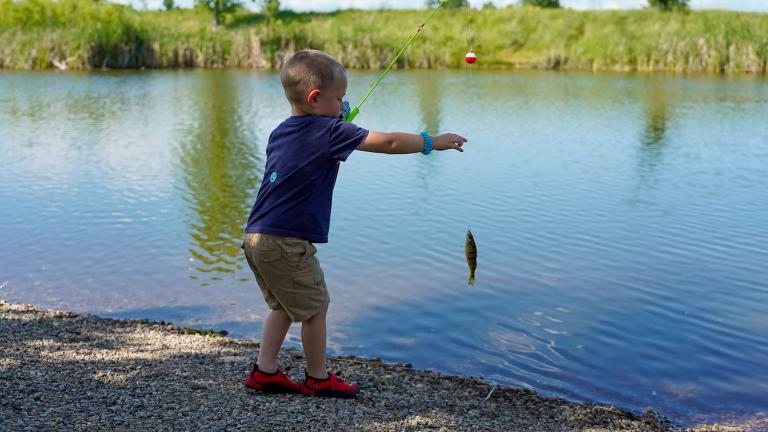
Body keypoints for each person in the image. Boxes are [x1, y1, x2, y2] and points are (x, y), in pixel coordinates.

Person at [242, 49, 467, 398]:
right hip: (287, 241)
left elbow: (307, 150)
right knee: (315, 308)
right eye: (339, 99)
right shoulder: (330, 130)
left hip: (257, 237)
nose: (343, 105)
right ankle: (318, 378)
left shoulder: (282, 131)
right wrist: (430, 142)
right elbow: (389, 143)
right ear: (315, 98)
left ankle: (265, 371)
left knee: (283, 305)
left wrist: (337, 120)